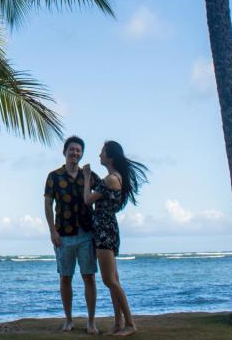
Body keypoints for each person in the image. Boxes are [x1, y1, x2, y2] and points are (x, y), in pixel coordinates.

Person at [83, 140, 148, 337]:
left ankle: (130, 323)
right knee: (114, 279)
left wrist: (86, 177)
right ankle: (119, 322)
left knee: (109, 280)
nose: (99, 155)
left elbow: (87, 200)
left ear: (110, 156)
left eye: (102, 152)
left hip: (104, 230)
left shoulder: (111, 179)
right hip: (107, 228)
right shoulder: (113, 177)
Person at [45, 135, 103, 334]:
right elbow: (47, 203)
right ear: (65, 151)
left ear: (82, 154)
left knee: (89, 277)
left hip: (86, 233)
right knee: (65, 278)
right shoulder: (54, 176)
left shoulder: (89, 175)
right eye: (72, 149)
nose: (75, 153)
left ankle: (91, 321)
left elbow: (103, 192)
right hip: (63, 234)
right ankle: (68, 320)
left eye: (78, 150)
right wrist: (52, 230)